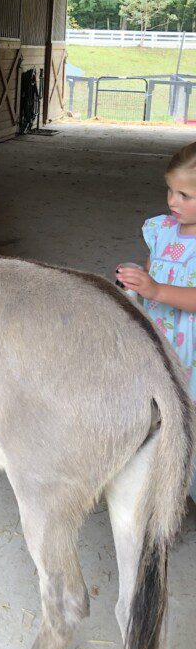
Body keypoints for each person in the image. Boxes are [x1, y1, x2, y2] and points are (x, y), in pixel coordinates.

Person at [116, 141, 196, 506]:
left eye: (185, 195)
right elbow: (155, 269)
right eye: (170, 190)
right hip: (159, 337)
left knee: (186, 420)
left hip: (190, 351)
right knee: (156, 412)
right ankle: (154, 489)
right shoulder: (161, 229)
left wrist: (158, 290)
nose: (173, 201)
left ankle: (181, 495)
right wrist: (139, 279)